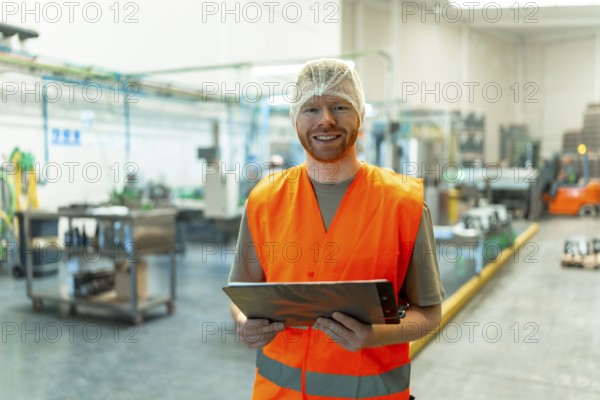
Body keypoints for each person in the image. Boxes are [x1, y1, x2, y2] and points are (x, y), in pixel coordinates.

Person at [228, 58, 444, 399]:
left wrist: (375, 335)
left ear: (359, 116)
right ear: (295, 120)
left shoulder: (404, 203)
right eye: (311, 108)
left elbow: (429, 314)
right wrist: (244, 322)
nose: (325, 119)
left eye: (339, 106)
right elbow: (242, 294)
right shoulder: (264, 200)